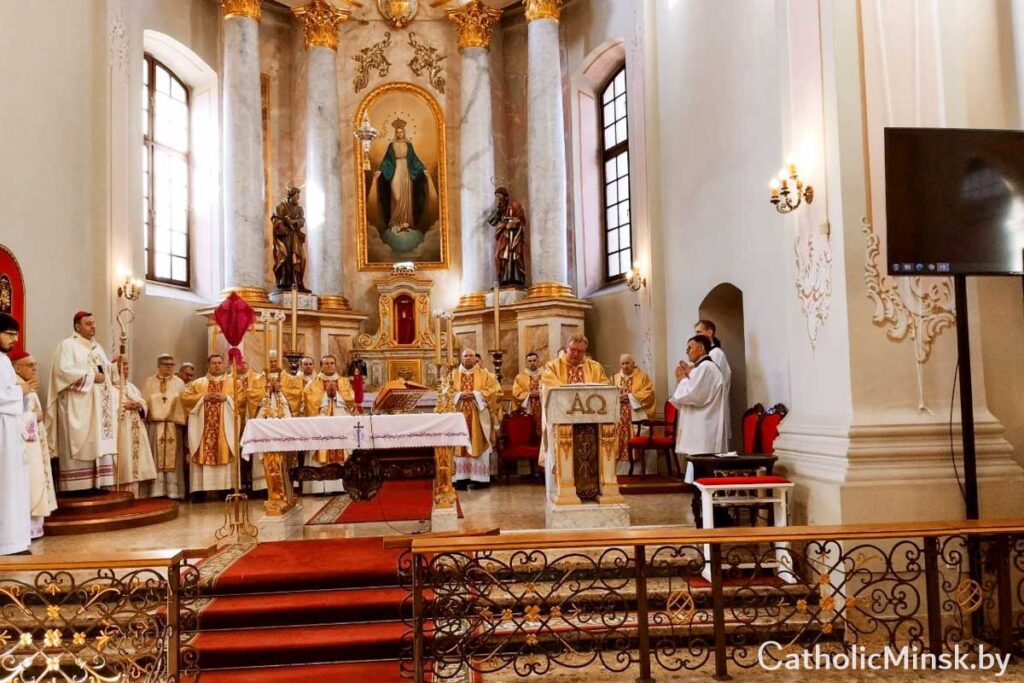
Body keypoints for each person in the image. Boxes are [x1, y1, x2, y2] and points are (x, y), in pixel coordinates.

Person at [46, 311, 117, 492]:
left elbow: (107, 371)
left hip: (98, 406)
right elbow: (62, 372)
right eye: (88, 324)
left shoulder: (97, 348)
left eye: (94, 323)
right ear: (77, 326)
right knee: (78, 441)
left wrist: (117, 367)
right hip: (78, 406)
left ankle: (98, 484)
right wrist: (92, 377)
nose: (93, 327)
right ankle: (77, 487)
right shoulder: (67, 345)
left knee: (98, 440)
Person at [11, 350, 57, 539]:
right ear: (17, 368)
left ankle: (34, 529)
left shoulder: (26, 385)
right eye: (30, 365)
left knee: (36, 481)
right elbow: (10, 417)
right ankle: (24, 529)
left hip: (34, 442)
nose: (34, 369)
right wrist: (34, 417)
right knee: (29, 483)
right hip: (23, 446)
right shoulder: (15, 386)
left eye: (35, 365)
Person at [669, 336, 728, 483]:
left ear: (701, 348)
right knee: (697, 463)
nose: (687, 351)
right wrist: (690, 373)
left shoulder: (706, 367)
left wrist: (682, 379)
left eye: (690, 347)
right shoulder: (702, 368)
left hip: (705, 425)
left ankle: (702, 492)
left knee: (703, 465)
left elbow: (693, 395)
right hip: (701, 424)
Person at [179, 354, 236, 496]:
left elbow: (242, 400)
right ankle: (200, 492)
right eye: (213, 363)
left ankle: (225, 490)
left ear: (224, 365)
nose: (217, 365)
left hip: (225, 429)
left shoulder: (234, 383)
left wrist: (227, 398)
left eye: (219, 363)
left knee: (224, 450)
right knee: (201, 453)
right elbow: (185, 398)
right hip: (202, 430)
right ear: (208, 365)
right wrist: (203, 397)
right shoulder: (197, 384)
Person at [247, 350, 304, 492]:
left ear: (281, 362)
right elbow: (251, 395)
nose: (273, 363)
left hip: (284, 418)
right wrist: (267, 391)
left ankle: (287, 481)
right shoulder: (257, 379)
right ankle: (263, 485)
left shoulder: (291, 379)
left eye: (275, 361)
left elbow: (297, 394)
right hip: (264, 419)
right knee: (263, 446)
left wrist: (280, 390)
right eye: (270, 361)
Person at [371, 118, 437, 233]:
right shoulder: (391, 145)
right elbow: (387, 160)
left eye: (401, 132)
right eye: (397, 132)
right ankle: (395, 222)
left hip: (406, 171)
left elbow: (414, 159)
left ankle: (406, 222)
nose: (399, 134)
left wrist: (423, 169)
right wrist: (380, 171)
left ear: (404, 132)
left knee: (406, 197)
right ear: (395, 133)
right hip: (396, 169)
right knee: (396, 196)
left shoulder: (409, 145)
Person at [2, 320, 33, 554]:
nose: (15, 339)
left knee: (13, 484)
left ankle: (14, 540)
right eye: (10, 334)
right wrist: (20, 390)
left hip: (10, 427)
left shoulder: (3, 360)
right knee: (5, 484)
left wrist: (22, 394)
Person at [450, 348, 501, 490]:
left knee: (478, 443)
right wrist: (459, 395)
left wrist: (475, 395)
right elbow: (446, 391)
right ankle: (461, 479)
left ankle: (479, 479)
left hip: (478, 417)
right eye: (466, 356)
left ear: (475, 358)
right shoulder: (453, 375)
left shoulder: (486, 375)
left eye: (471, 355)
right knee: (459, 445)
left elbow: (494, 392)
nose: (468, 358)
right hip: (458, 417)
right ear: (461, 358)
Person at [302, 354, 353, 495]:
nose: (329, 365)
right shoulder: (313, 382)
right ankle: (319, 487)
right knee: (320, 447)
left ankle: (339, 486)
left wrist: (336, 396)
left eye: (332, 363)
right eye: (326, 363)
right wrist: (326, 396)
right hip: (321, 420)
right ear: (321, 366)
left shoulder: (344, 382)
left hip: (340, 420)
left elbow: (351, 399)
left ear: (335, 365)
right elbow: (309, 400)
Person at [140, 354, 187, 499]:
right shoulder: (149, 382)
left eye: (172, 365)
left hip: (173, 425)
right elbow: (143, 402)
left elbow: (184, 402)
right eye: (166, 365)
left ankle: (173, 491)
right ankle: (156, 490)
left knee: (175, 459)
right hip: (155, 426)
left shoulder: (179, 383)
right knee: (155, 456)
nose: (169, 367)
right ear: (158, 366)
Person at [112, 356, 157, 498]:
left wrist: (140, 406)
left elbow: (143, 402)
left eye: (127, 366)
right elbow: (107, 408)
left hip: (135, 428)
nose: (126, 369)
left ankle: (135, 494)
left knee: (134, 461)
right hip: (121, 429)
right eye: (122, 366)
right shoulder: (110, 388)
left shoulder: (131, 387)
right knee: (124, 459)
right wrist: (124, 406)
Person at [612, 354, 656, 471]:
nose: (625, 366)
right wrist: (618, 398)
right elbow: (608, 395)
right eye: (623, 363)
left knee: (638, 438)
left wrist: (630, 397)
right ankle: (620, 472)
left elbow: (649, 394)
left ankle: (638, 471)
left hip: (636, 415)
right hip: (619, 416)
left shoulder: (642, 377)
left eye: (627, 363)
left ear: (633, 363)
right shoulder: (614, 378)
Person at [695, 319, 732, 442]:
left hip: (714, 406)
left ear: (710, 332)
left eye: (699, 332)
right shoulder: (708, 354)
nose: (696, 336)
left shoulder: (715, 354)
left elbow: (711, 381)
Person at [488, 187, 528, 287]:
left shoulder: (515, 205)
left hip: (514, 236)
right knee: (498, 255)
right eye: (497, 198)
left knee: (513, 255)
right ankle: (502, 279)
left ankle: (515, 279)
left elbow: (522, 221)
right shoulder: (499, 209)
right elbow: (491, 221)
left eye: (500, 198)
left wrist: (513, 223)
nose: (498, 200)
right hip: (503, 235)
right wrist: (498, 210)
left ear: (506, 198)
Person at [511, 351, 543, 441]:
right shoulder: (520, 377)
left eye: (534, 360)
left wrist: (541, 393)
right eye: (530, 361)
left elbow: (550, 388)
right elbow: (516, 393)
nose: (532, 363)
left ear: (538, 361)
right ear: (526, 363)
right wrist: (529, 394)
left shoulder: (546, 375)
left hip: (543, 407)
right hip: (528, 408)